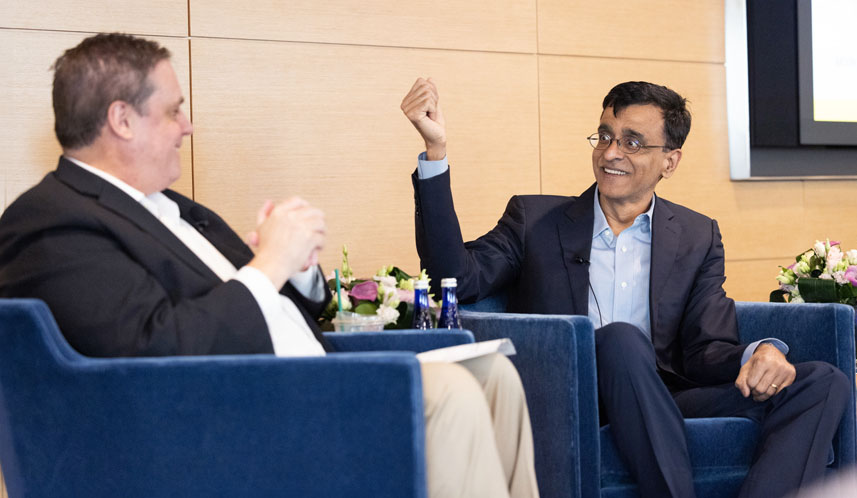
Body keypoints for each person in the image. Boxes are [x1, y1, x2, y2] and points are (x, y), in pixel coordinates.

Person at [0, 33, 539, 498]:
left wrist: (296, 268)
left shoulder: (172, 207)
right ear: (121, 119)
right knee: (452, 395)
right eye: (173, 111)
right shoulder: (52, 223)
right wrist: (269, 263)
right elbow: (155, 350)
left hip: (308, 380)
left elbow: (267, 298)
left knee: (491, 375)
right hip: (238, 419)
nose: (188, 127)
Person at [402, 77, 851, 497]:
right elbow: (455, 280)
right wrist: (436, 151)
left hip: (662, 396)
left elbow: (707, 348)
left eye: (632, 142)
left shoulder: (696, 235)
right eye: (605, 136)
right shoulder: (534, 221)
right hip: (573, 392)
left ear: (670, 161)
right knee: (621, 339)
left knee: (822, 381)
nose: (610, 153)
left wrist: (759, 353)